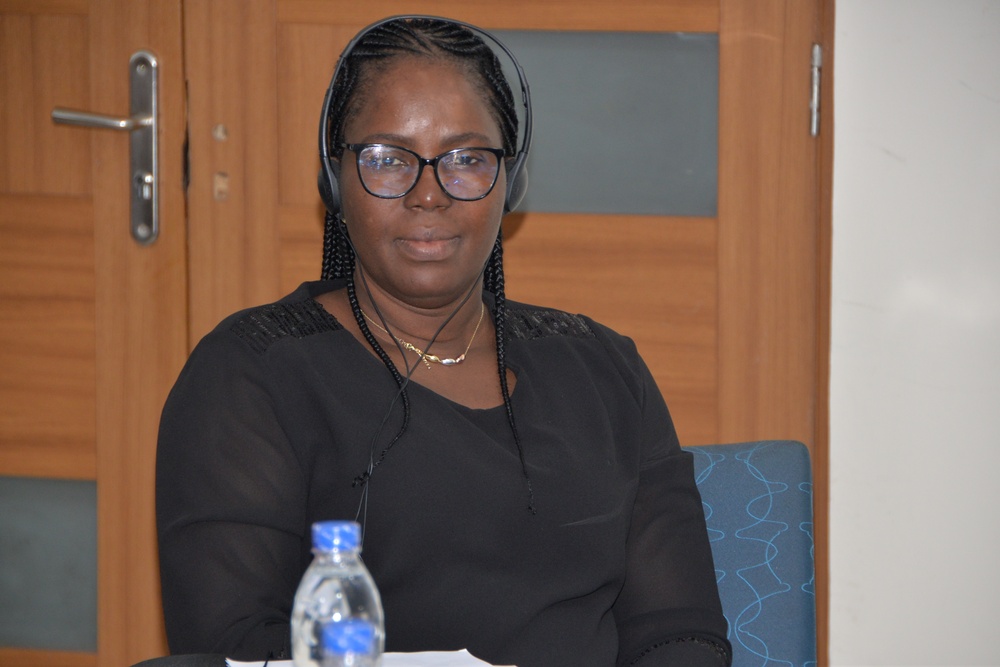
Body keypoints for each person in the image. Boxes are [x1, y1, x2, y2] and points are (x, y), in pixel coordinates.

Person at [156, 16, 731, 667]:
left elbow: (680, 631)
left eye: (466, 159)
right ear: (334, 180)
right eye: (387, 159)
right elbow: (231, 642)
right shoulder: (253, 372)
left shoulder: (604, 369)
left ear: (509, 181)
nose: (428, 195)